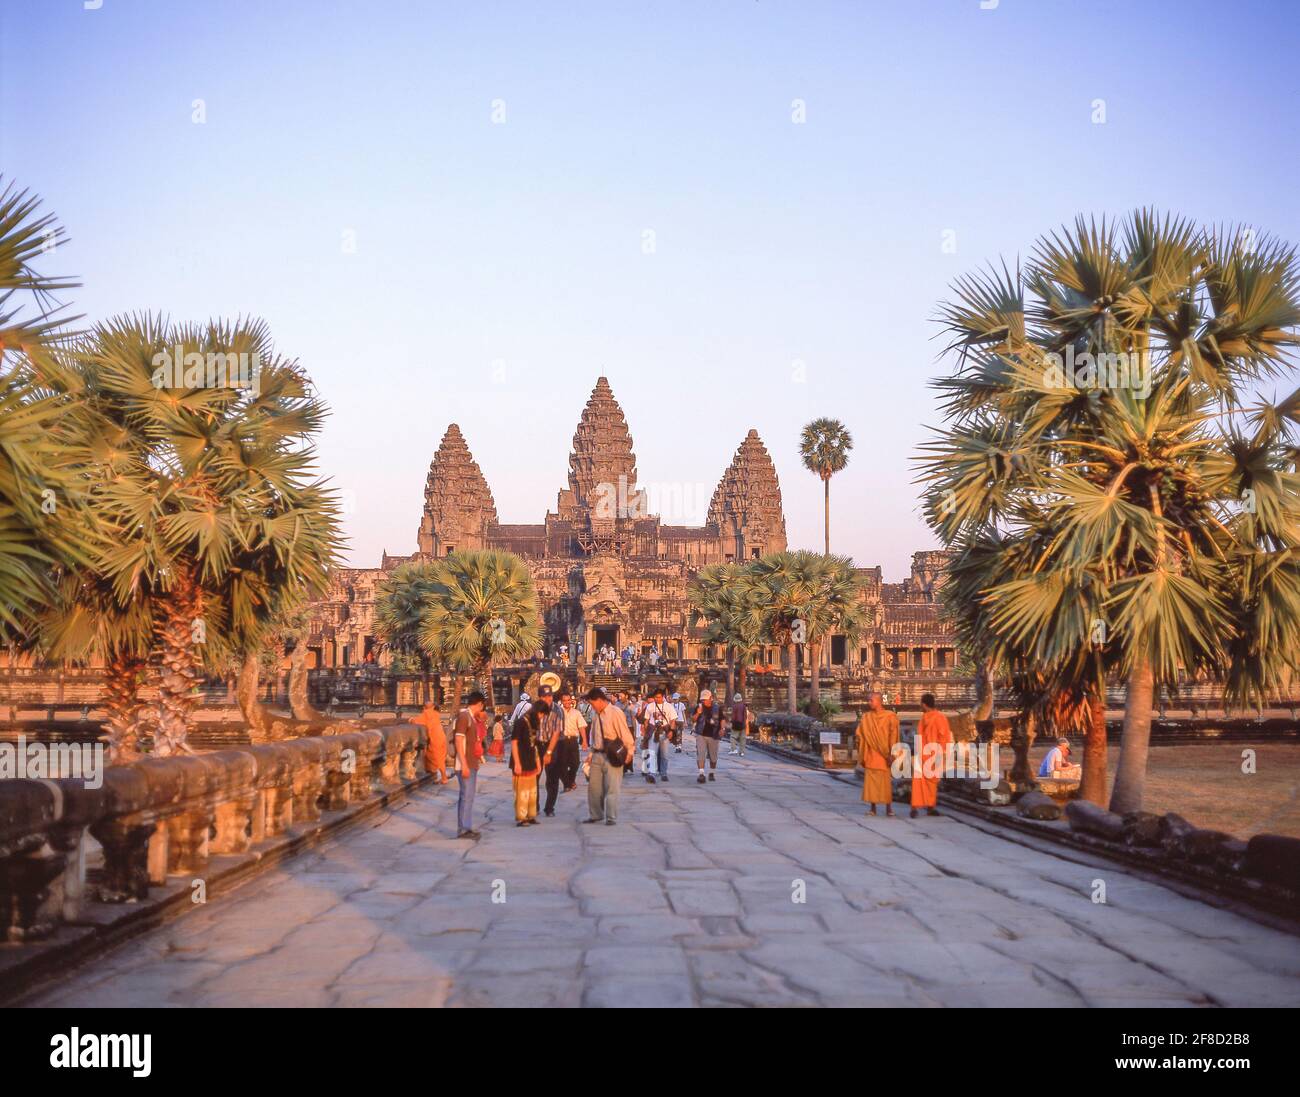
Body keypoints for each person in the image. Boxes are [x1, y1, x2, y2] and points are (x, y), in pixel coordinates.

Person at [584, 687, 635, 825]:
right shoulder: (596, 715)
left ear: (599, 700)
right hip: (597, 754)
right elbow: (594, 737)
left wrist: (630, 752)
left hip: (613, 754)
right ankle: (596, 814)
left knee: (612, 787)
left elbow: (624, 733)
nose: (592, 707)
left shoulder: (615, 713)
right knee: (594, 787)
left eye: (592, 703)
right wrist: (590, 754)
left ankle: (611, 816)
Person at [543, 686, 586, 815]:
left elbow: (582, 727)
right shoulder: (557, 711)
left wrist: (584, 741)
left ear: (571, 701)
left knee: (575, 763)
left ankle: (570, 781)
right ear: (561, 701)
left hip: (572, 739)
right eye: (564, 700)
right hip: (559, 741)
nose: (567, 702)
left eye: (569, 700)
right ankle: (567, 784)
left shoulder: (576, 713)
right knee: (560, 766)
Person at [855, 691, 899, 817]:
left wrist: (892, 753)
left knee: (885, 783)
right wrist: (860, 738)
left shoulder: (890, 716)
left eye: (871, 700)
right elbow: (860, 733)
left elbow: (894, 736)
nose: (869, 703)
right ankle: (873, 808)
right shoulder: (866, 717)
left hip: (885, 754)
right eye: (868, 700)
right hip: (871, 754)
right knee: (871, 783)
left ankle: (888, 808)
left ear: (879, 701)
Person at [453, 691, 488, 839]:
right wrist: (464, 764)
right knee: (466, 796)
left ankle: (466, 826)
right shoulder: (464, 717)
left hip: (471, 762)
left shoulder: (472, 718)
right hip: (465, 763)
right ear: (480, 704)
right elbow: (458, 741)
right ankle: (463, 829)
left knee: (468, 796)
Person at [912, 693, 953, 818]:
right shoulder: (938, 717)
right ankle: (927, 807)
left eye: (921, 704)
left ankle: (918, 807)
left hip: (926, 752)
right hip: (933, 752)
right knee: (930, 782)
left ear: (924, 704)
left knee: (921, 782)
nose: (920, 706)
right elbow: (944, 736)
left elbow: (920, 735)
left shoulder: (928, 718)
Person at [510, 694, 548, 826]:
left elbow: (535, 745)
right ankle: (522, 817)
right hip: (520, 760)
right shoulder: (521, 722)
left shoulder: (533, 723)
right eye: (541, 714)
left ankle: (531, 815)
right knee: (522, 792)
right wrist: (517, 763)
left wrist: (538, 762)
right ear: (537, 712)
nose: (541, 718)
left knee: (532, 791)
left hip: (531, 760)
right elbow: (514, 743)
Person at [641, 685, 678, 783]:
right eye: (656, 697)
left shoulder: (668, 706)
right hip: (653, 732)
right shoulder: (650, 706)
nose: (657, 699)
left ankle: (664, 773)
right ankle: (652, 773)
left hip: (664, 732)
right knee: (652, 753)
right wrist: (645, 732)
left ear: (663, 697)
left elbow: (673, 720)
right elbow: (646, 720)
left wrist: (671, 731)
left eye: (659, 697)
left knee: (664, 755)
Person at [413, 701, 449, 783]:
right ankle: (435, 776)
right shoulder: (436, 713)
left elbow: (417, 721)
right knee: (433, 757)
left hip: (435, 739)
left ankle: (444, 778)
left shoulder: (426, 713)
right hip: (441, 736)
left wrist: (411, 719)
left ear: (424, 707)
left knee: (437, 758)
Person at [692, 689, 723, 783]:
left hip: (714, 734)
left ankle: (712, 772)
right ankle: (701, 774)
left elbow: (722, 719)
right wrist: (698, 713)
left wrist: (723, 729)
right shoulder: (699, 707)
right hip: (701, 734)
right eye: (702, 700)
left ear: (711, 698)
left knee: (713, 757)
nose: (704, 701)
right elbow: (693, 720)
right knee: (701, 754)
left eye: (706, 699)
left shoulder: (717, 708)